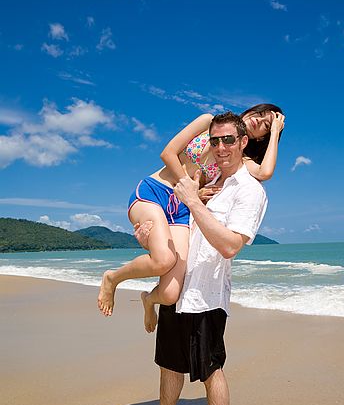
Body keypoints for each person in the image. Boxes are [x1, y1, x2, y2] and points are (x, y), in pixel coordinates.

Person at [142, 111, 268, 405]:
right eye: (215, 141)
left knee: (211, 369)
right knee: (169, 362)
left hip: (207, 296)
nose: (221, 147)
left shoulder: (249, 191)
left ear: (243, 143)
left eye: (229, 139)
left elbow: (230, 245)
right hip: (181, 284)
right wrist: (151, 232)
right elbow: (177, 227)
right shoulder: (209, 183)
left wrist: (194, 201)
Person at [97, 104, 284, 318]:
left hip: (182, 211)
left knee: (169, 295)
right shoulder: (208, 122)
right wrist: (189, 188)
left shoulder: (241, 161)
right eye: (259, 114)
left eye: (266, 125)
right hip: (156, 192)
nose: (258, 121)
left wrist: (276, 131)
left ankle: (148, 299)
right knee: (163, 260)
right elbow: (167, 153)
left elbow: (265, 172)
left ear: (262, 137)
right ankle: (112, 278)